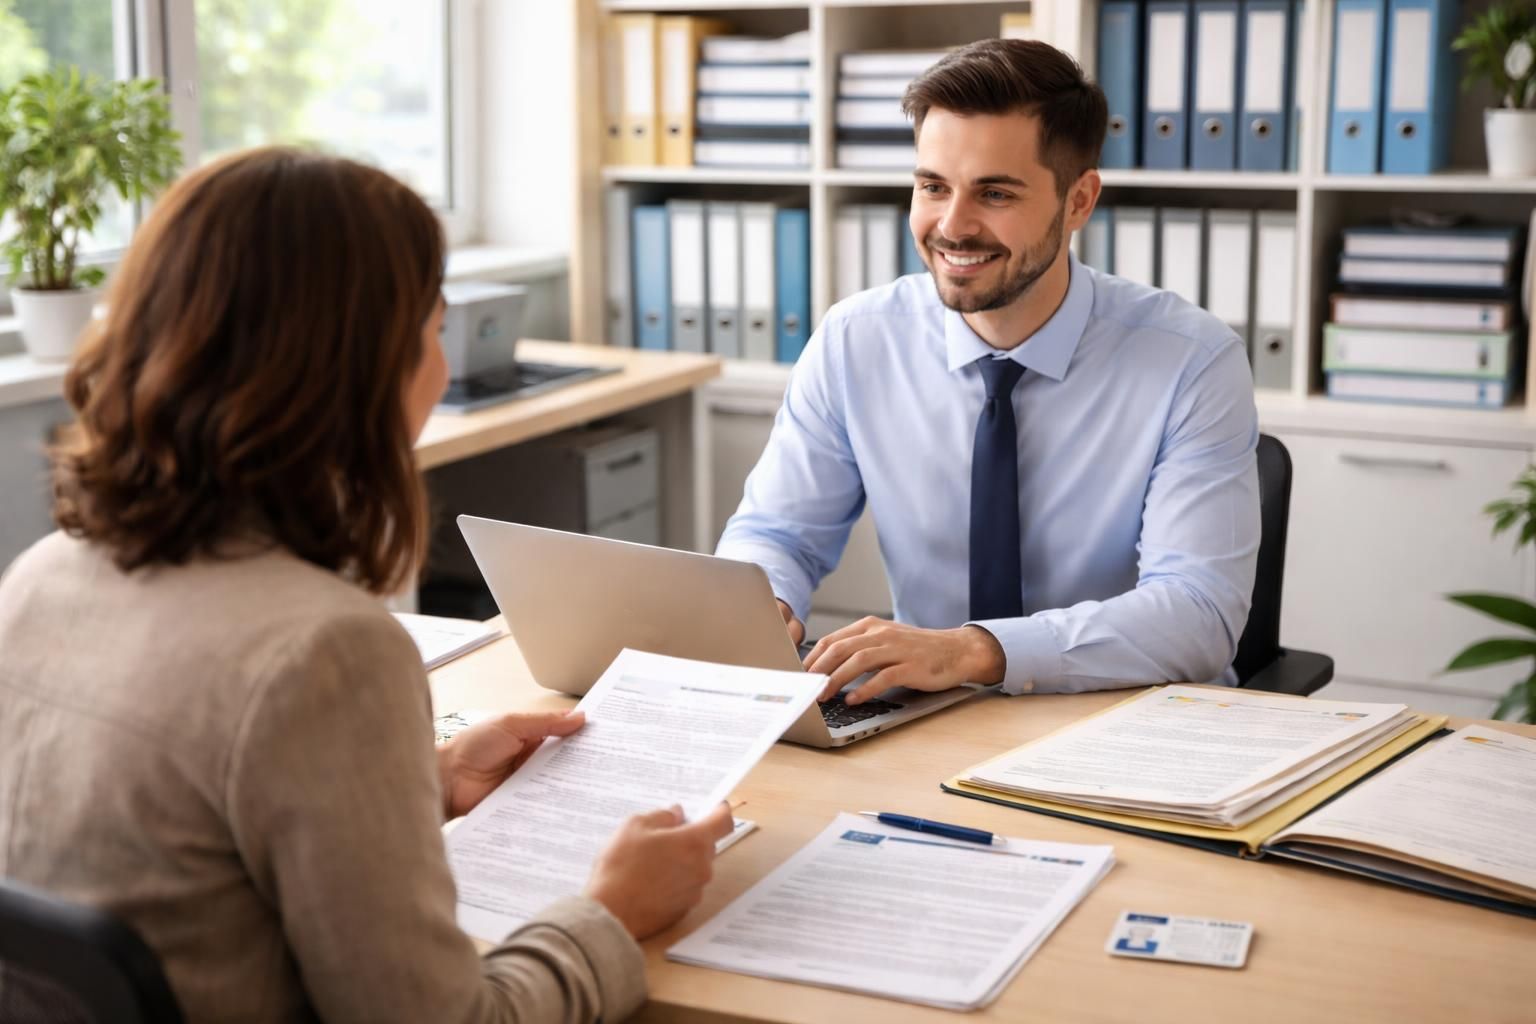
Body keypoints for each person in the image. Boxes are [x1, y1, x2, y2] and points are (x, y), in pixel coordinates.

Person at [0, 147, 731, 1023]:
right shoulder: (325, 653)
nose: (441, 361)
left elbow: (189, 838)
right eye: (432, 327)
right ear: (356, 365)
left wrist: (431, 778)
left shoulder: (40, 578)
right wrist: (611, 911)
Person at [716, 39, 1260, 705]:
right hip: (928, 717)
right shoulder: (856, 340)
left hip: (1126, 721)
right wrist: (761, 602)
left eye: (994, 193)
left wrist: (975, 650)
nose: (952, 226)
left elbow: (1199, 615)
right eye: (931, 186)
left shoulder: (1191, 361)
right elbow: (777, 534)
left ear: (1080, 201)